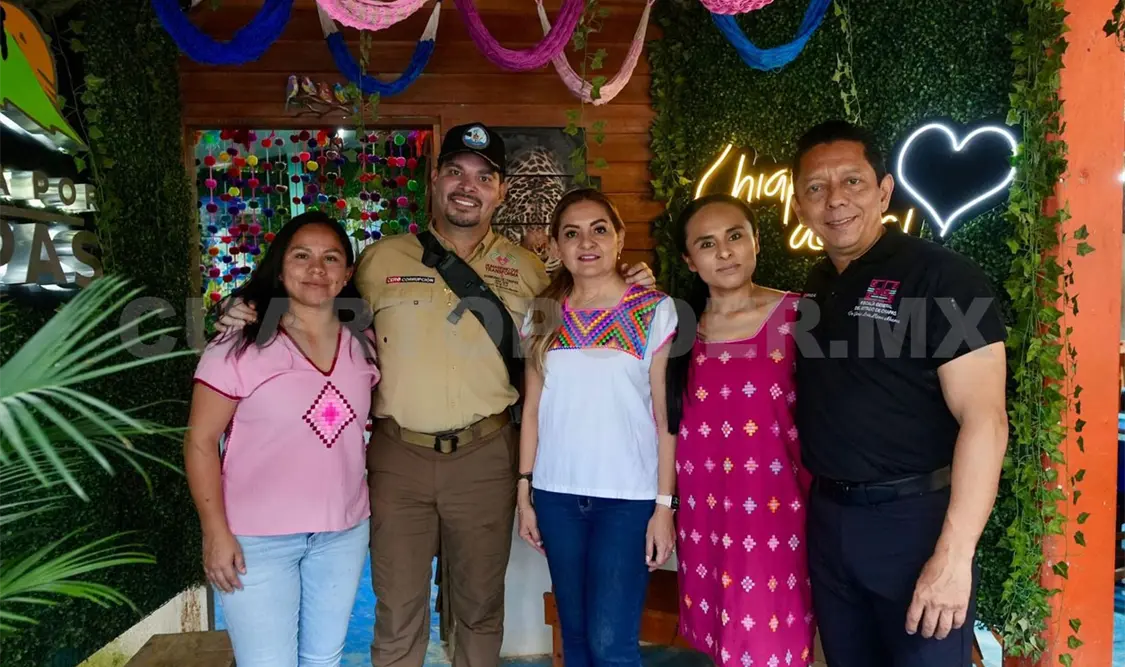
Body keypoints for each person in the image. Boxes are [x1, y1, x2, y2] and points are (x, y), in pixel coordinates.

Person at [216, 122, 657, 667]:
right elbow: (314, 305)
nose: (467, 186)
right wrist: (248, 306)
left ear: (500, 191)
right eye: (455, 171)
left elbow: (573, 327)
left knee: (479, 608)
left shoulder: (531, 273)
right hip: (398, 457)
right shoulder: (380, 262)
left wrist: (638, 284)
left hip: (486, 455)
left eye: (483, 177)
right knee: (398, 610)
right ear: (435, 180)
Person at [789, 119, 1009, 666]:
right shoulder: (818, 287)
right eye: (816, 188)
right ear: (799, 205)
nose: (835, 200)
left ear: (884, 190)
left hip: (914, 525)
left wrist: (955, 559)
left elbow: (987, 420)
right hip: (830, 523)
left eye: (853, 182)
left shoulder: (947, 279)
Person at [185, 211, 380, 667]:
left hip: (342, 532)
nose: (317, 269)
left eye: (331, 258)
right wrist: (215, 533)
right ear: (280, 264)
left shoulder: (363, 339)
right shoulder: (238, 344)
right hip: (256, 539)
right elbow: (200, 442)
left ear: (347, 273)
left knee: (323, 658)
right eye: (302, 256)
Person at [516, 188, 678, 667]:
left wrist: (664, 506)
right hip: (556, 494)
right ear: (556, 246)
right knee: (579, 635)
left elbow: (666, 415)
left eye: (599, 229)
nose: (586, 242)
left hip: (627, 500)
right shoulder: (543, 311)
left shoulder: (654, 309)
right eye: (571, 233)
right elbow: (532, 410)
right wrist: (524, 492)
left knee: (612, 641)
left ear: (620, 238)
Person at [664, 194, 816, 667]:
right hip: (705, 509)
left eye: (735, 237)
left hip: (781, 506)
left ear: (756, 242)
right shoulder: (675, 329)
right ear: (690, 260)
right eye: (707, 243)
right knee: (723, 635)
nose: (724, 252)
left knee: (778, 637)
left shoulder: (801, 316)